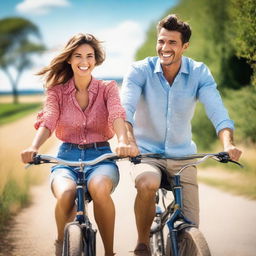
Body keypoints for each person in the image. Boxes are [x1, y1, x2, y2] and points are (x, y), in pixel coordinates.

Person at [121, 14, 242, 256]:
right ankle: (142, 243)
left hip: (184, 157)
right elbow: (126, 111)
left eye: (172, 43)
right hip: (147, 154)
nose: (164, 48)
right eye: (161, 41)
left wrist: (228, 144)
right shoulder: (139, 70)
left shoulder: (199, 72)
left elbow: (218, 112)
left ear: (185, 46)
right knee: (148, 182)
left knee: (190, 229)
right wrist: (128, 142)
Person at [21, 33, 131, 256]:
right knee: (66, 192)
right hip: (66, 157)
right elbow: (49, 119)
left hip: (100, 156)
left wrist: (122, 140)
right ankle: (62, 242)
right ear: (69, 59)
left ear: (96, 59)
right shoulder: (56, 91)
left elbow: (117, 114)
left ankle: (109, 252)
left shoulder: (108, 88)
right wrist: (34, 147)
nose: (84, 61)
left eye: (89, 56)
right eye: (78, 56)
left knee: (100, 188)